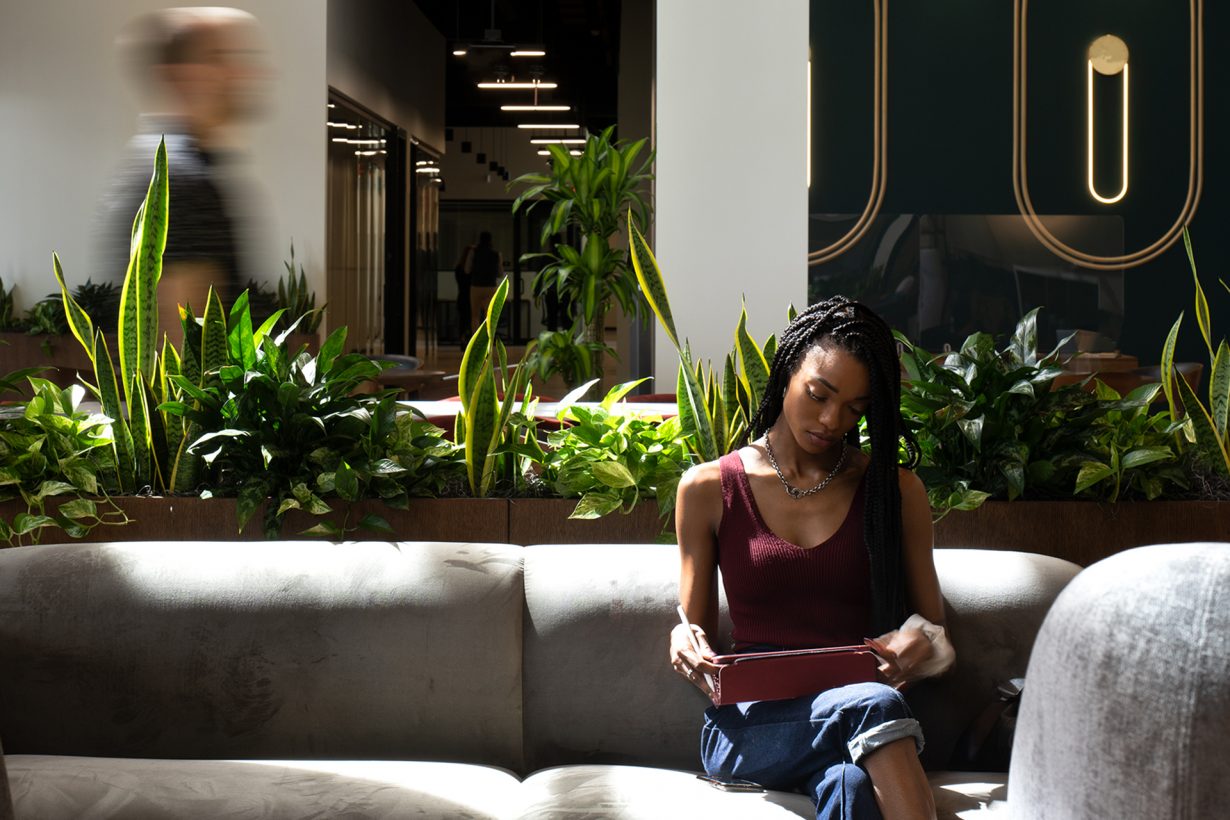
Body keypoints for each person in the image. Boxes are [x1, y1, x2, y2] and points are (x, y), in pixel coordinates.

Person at [668, 296, 954, 820]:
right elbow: (696, 627)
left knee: (850, 786)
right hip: (751, 728)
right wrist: (684, 641)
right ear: (787, 371)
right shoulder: (708, 487)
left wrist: (920, 643)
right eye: (818, 395)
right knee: (875, 704)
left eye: (854, 409)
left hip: (854, 721)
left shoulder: (894, 490)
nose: (830, 420)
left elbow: (935, 631)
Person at [97, 6, 272, 346]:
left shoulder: (172, 163)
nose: (238, 73)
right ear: (176, 75)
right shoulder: (179, 181)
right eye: (218, 57)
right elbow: (186, 354)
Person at [458, 231, 504, 334]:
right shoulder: (497, 254)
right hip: (491, 287)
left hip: (476, 286)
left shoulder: (474, 252)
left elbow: (467, 270)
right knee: (489, 314)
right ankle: (488, 338)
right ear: (491, 240)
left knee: (475, 315)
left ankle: (476, 339)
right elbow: (500, 273)